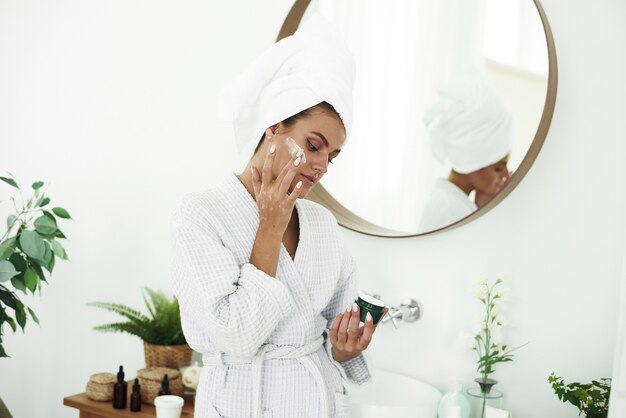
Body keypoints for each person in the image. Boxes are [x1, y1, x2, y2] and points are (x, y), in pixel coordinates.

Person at [169, 15, 385, 418]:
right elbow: (236, 336)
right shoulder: (200, 215)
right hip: (239, 402)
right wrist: (270, 226)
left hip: (313, 400)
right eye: (314, 145)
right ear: (274, 125)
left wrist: (343, 346)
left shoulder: (321, 224)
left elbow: (336, 326)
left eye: (332, 156)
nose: (321, 166)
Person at [418, 74, 514, 233]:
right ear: (474, 160)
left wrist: (480, 209)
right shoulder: (447, 209)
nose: (505, 175)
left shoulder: (455, 205)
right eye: (498, 168)